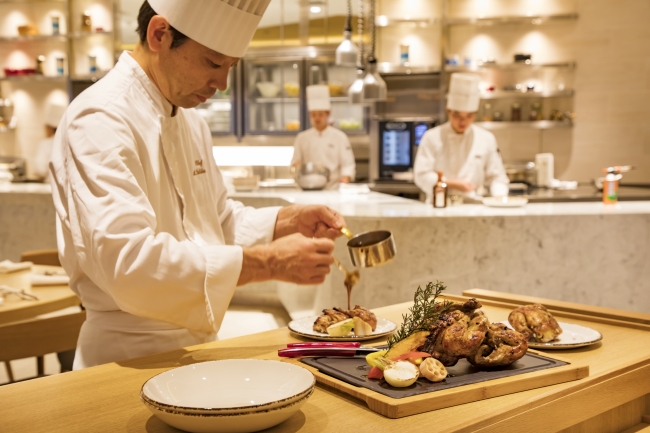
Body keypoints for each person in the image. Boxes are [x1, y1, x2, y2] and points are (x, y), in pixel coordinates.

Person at [50, 0, 347, 369]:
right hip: (125, 356)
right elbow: (129, 265)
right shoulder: (100, 118)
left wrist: (285, 220)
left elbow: (216, 224)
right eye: (212, 62)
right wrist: (268, 263)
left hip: (202, 351)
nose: (221, 84)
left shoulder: (191, 122)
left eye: (231, 67)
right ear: (160, 34)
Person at [414, 73, 509, 203]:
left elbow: (497, 177)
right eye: (457, 115)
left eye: (469, 116)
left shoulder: (486, 138)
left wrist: (500, 197)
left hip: (473, 206)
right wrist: (451, 183)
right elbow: (421, 175)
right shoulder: (432, 137)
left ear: (475, 114)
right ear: (448, 111)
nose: (463, 121)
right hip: (439, 204)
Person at [291, 85, 356, 190]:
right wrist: (296, 166)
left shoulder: (340, 137)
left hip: (333, 189)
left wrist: (346, 177)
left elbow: (348, 164)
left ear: (328, 113)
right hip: (308, 189)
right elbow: (296, 161)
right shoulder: (301, 138)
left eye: (320, 114)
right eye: (313, 115)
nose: (317, 118)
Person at [33, 102, 66, 183]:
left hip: (50, 187)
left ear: (50, 127)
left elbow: (40, 170)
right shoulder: (70, 142)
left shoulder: (45, 144)